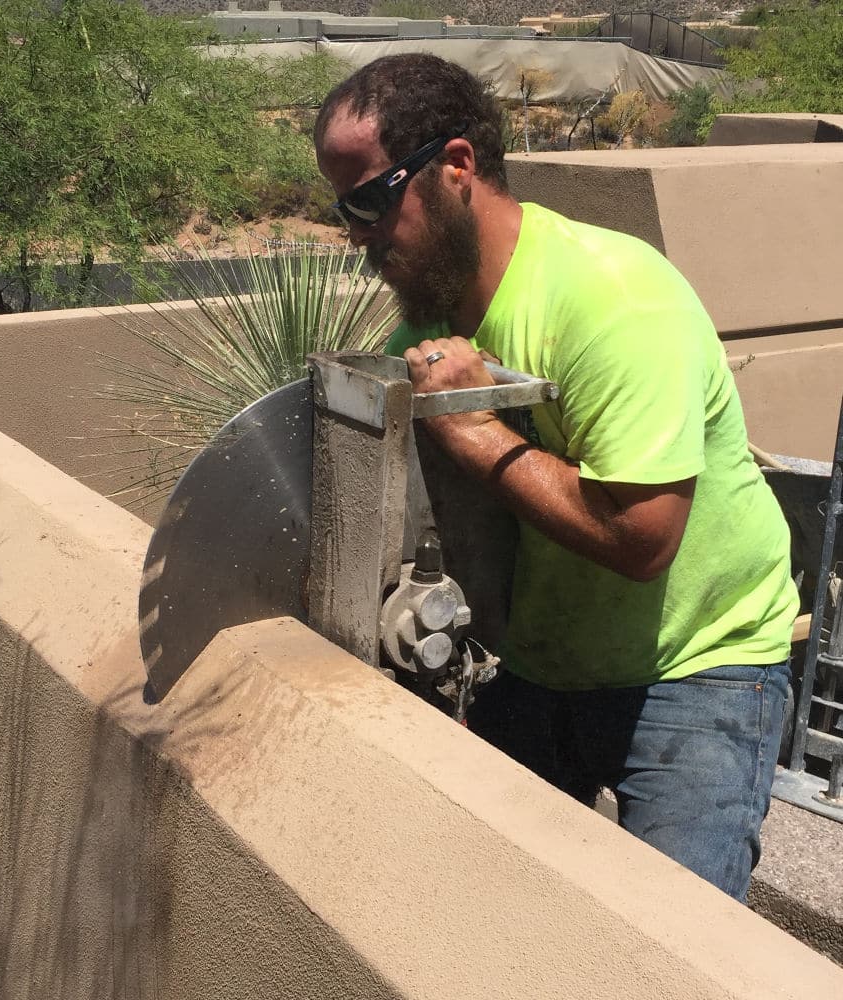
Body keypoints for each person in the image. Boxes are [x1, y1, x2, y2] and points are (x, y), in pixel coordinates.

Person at [314, 53, 799, 902]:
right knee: (481, 901)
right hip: (549, 658)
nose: (358, 235)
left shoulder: (613, 301)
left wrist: (476, 430)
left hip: (696, 659)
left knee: (674, 942)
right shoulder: (432, 321)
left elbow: (643, 539)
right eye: (342, 210)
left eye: (370, 200)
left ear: (455, 166)